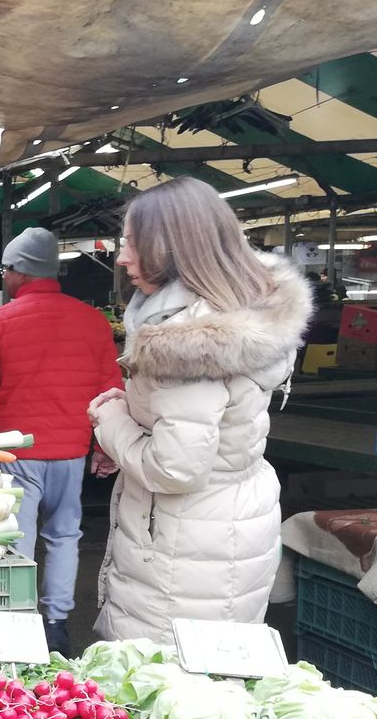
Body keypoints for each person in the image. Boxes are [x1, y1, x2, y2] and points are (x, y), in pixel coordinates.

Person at [90, 177, 311, 645]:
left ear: (170, 245)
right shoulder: (239, 314)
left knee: (161, 691)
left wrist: (111, 422)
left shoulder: (185, 343)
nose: (122, 256)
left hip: (184, 548)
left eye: (131, 241)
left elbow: (173, 468)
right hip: (225, 529)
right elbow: (202, 424)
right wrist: (135, 423)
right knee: (213, 680)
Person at [0, 227, 121, 657]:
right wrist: (104, 446)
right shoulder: (93, 321)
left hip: (14, 452)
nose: (4, 278)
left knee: (16, 538)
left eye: (7, 271)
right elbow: (111, 390)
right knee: (65, 535)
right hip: (71, 450)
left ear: (20, 273)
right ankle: (57, 625)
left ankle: (17, 624)